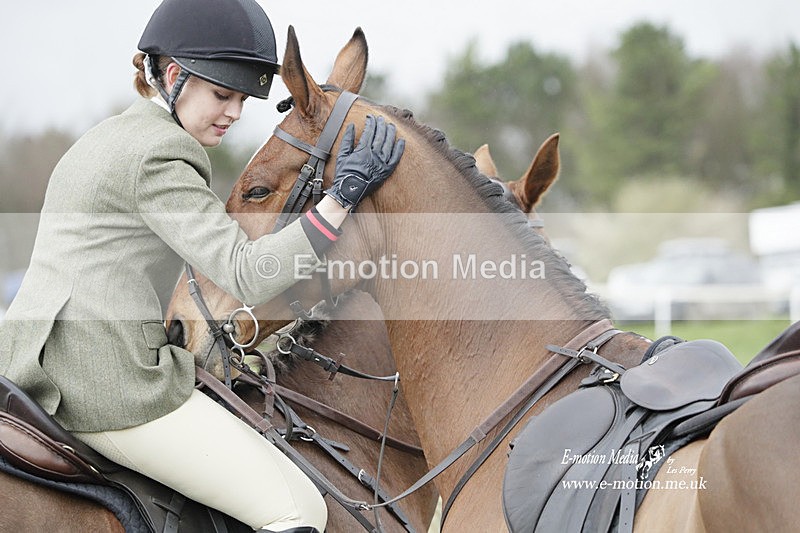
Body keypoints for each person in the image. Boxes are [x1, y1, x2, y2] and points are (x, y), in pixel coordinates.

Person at [0, 0, 404, 531]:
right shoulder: (163, 154)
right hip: (104, 384)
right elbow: (246, 272)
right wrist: (340, 200)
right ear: (172, 76)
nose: (234, 112)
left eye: (241, 99)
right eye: (221, 94)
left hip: (34, 361)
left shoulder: (107, 137)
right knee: (298, 508)